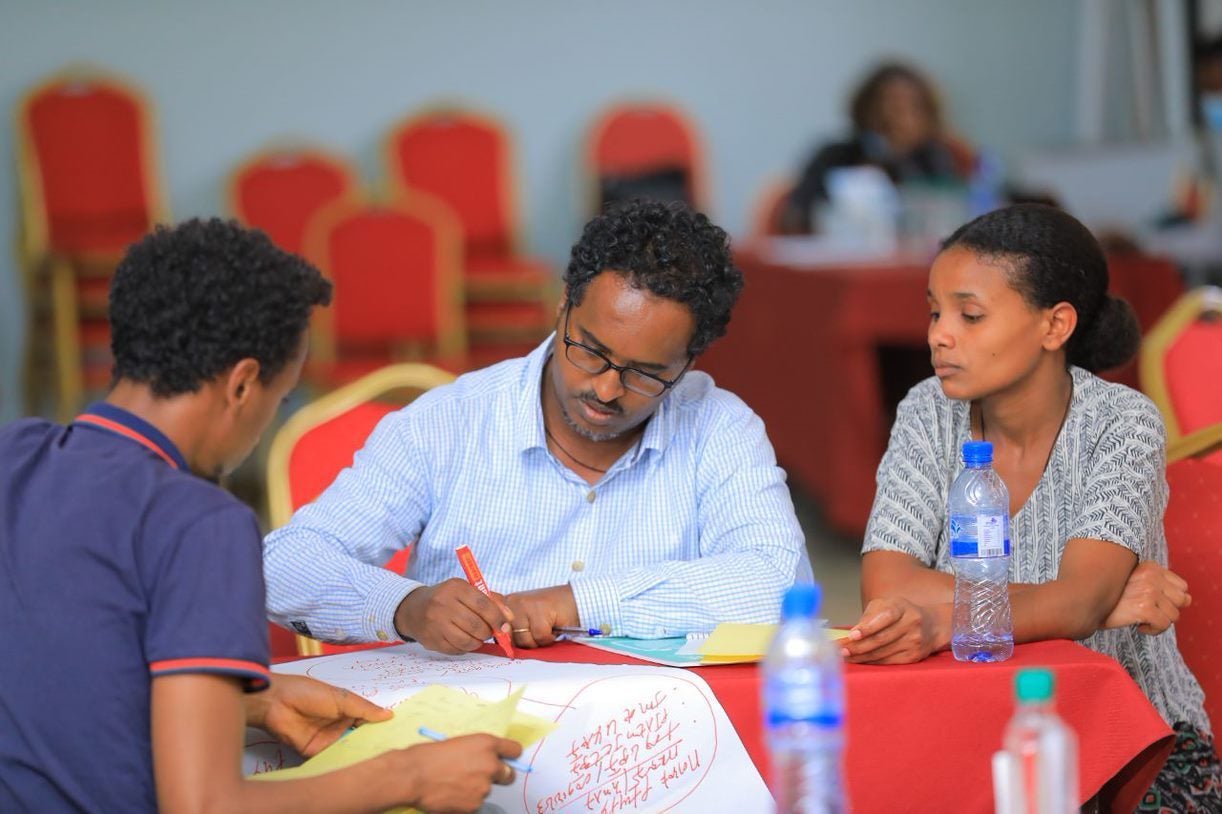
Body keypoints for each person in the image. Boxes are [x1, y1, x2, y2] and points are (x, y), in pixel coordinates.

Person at [0, 219, 521, 813]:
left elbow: (56, 667)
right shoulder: (201, 524)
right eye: (282, 397)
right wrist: (408, 776)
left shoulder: (17, 455)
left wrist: (249, 698)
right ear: (244, 385)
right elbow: (203, 806)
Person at [264, 199, 807, 654]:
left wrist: (575, 603)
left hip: (648, 743)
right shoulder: (450, 422)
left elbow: (781, 587)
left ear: (690, 361)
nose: (606, 390)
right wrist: (406, 607)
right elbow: (285, 564)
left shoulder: (720, 429)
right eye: (590, 351)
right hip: (465, 741)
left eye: (646, 375)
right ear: (564, 303)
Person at [844, 203, 1220, 808]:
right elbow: (885, 586)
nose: (940, 334)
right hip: (972, 724)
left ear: (1055, 326)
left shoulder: (1121, 424)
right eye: (936, 312)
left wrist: (945, 621)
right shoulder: (926, 411)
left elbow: (1073, 603)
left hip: (1134, 741)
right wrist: (1087, 602)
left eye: (970, 315)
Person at [781, 61, 973, 234]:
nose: (899, 119)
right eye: (891, 106)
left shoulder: (936, 158)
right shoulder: (836, 156)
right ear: (865, 108)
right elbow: (795, 216)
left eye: (911, 108)